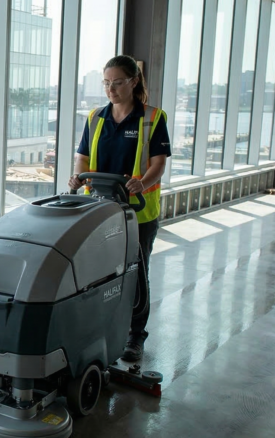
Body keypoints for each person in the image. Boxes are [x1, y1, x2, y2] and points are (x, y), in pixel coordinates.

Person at [68, 55, 170, 362]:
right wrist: (77, 176)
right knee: (100, 275)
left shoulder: (152, 117)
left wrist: (142, 182)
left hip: (138, 212)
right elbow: (83, 157)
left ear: (134, 82)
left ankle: (135, 336)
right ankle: (103, 328)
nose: (111, 90)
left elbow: (158, 163)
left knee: (137, 273)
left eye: (118, 83)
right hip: (99, 210)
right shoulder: (96, 117)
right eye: (107, 83)